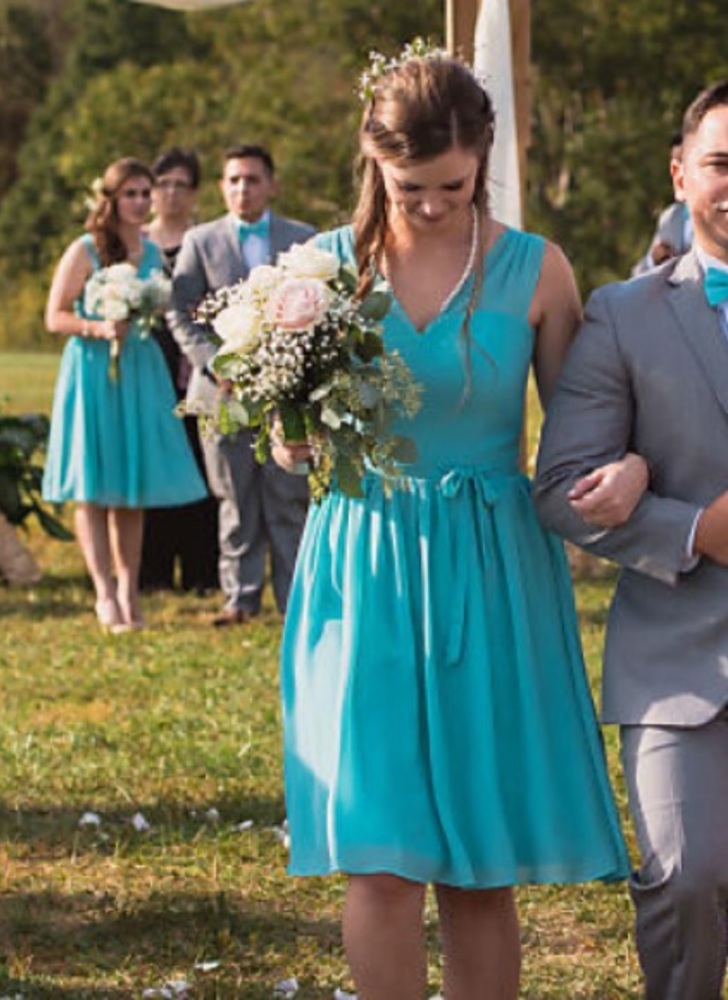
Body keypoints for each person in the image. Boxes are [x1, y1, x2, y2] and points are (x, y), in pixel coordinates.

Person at [272, 49, 637, 999]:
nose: (431, 205)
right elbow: (288, 439)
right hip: (365, 563)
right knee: (379, 852)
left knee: (481, 861)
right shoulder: (326, 273)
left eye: (453, 186)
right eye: (408, 187)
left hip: (492, 567)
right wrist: (289, 428)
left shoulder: (537, 269)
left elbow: (581, 437)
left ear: (484, 159)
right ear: (372, 160)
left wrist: (625, 470)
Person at [535, 79, 728, 1000]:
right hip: (679, 664)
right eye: (723, 163)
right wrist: (694, 529)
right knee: (684, 877)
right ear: (680, 172)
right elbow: (562, 493)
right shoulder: (623, 313)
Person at [41, 156, 207, 633]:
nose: (139, 202)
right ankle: (104, 593)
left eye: (144, 193)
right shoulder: (85, 250)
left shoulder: (153, 254)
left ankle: (131, 592)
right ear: (111, 199)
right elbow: (54, 316)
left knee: (132, 489)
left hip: (138, 368)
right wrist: (97, 326)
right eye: (130, 194)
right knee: (94, 487)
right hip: (92, 370)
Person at [169, 144, 315, 626]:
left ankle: (295, 598)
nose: (242, 188)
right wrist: (214, 364)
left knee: (288, 498)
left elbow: (320, 309)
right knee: (234, 497)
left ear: (271, 185)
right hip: (222, 393)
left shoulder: (303, 240)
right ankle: (240, 597)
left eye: (252, 179)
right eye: (233, 180)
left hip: (284, 393)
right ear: (221, 187)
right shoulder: (200, 241)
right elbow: (181, 312)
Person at [138, 147, 219, 595]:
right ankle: (151, 572)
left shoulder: (205, 241)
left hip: (197, 371)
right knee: (154, 468)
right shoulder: (137, 244)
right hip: (149, 369)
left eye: (180, 184)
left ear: (195, 192)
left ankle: (201, 572)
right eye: (162, 183)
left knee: (199, 467)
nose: (170, 193)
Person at [631, 132, 693, 276]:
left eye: (682, 161)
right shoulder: (669, 217)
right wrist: (652, 260)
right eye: (673, 163)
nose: (677, 171)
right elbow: (638, 276)